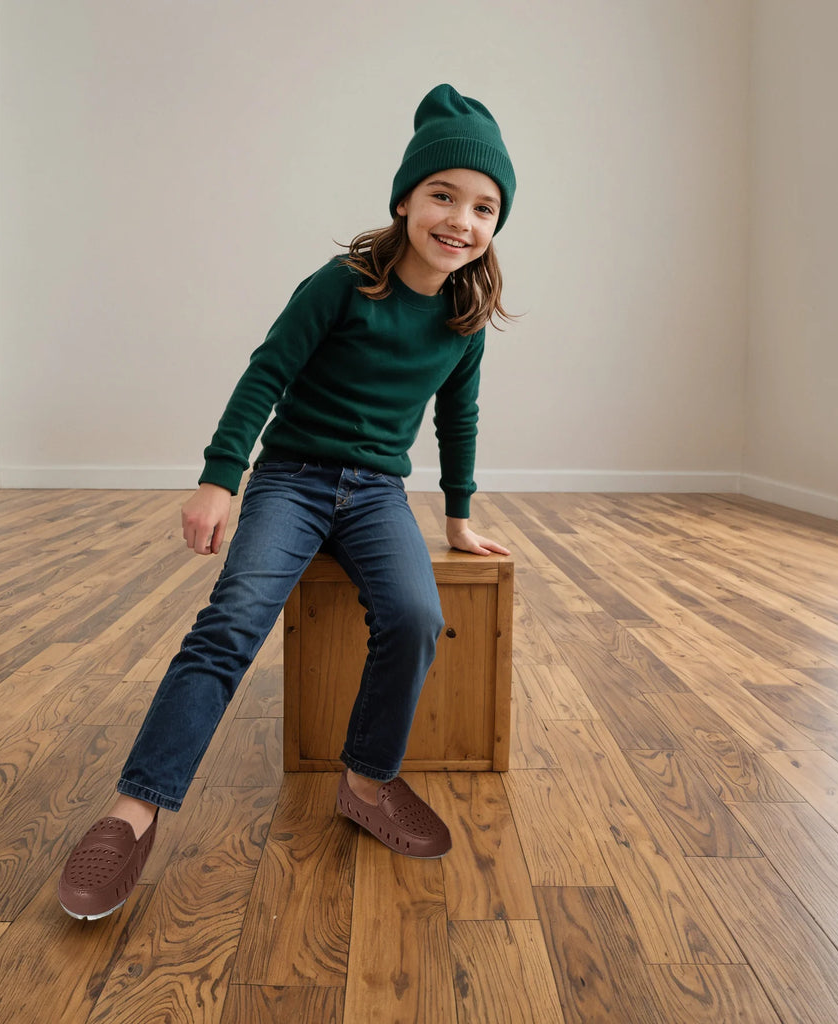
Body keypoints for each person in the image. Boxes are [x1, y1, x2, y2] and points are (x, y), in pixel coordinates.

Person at [58, 83, 516, 920]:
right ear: (406, 200)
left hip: (376, 493)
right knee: (232, 622)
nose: (461, 219)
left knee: (417, 617)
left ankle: (366, 784)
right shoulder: (343, 284)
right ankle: (134, 810)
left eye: (483, 207)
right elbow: (266, 373)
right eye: (443, 195)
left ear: (496, 222)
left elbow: (459, 416)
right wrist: (219, 479)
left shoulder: (464, 317)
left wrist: (458, 517)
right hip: (293, 478)